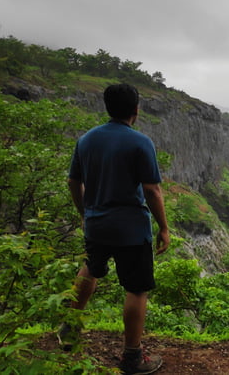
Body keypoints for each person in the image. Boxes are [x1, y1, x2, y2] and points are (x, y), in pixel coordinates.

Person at [60, 83, 170, 374]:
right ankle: (132, 357)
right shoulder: (140, 141)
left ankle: (69, 330)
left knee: (90, 268)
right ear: (136, 109)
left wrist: (85, 212)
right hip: (131, 228)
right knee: (136, 288)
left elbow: (73, 181)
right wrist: (164, 228)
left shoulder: (86, 140)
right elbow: (152, 190)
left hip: (96, 224)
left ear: (106, 107)